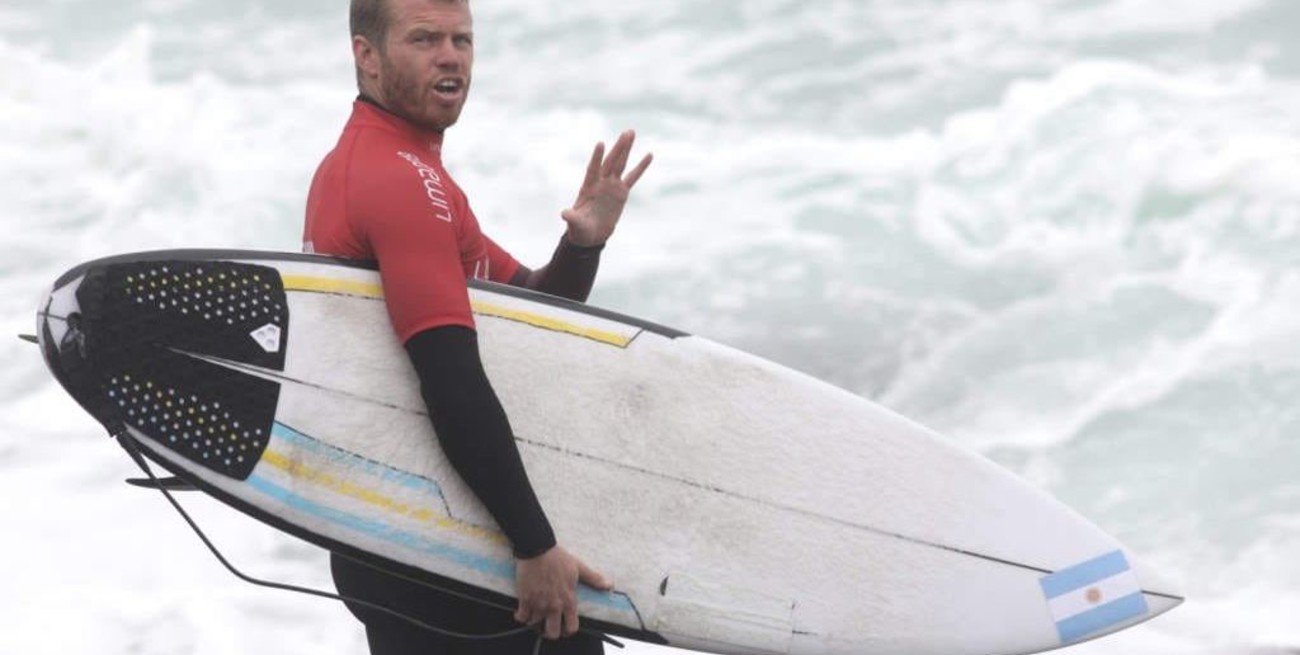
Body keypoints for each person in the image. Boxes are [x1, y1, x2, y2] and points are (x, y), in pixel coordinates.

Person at [301, 0, 653, 653]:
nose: (451, 57)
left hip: (400, 530)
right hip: (434, 546)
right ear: (366, 56)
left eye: (462, 40)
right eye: (425, 39)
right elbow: (450, 377)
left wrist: (583, 245)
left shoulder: (402, 172)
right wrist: (534, 543)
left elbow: (532, 307)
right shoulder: (395, 180)